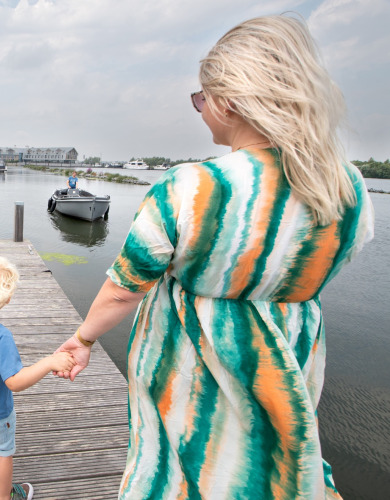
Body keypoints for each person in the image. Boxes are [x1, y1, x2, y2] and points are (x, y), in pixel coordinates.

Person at [54, 14, 374, 499]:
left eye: (201, 98)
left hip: (192, 366)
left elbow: (124, 288)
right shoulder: (345, 187)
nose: (200, 109)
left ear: (228, 101)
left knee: (187, 469)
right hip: (287, 358)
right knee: (263, 467)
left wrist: (82, 338)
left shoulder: (194, 187)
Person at [0, 254, 75, 500]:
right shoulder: (0, 336)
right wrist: (48, 362)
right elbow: (14, 381)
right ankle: (5, 497)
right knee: (4, 453)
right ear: (7, 298)